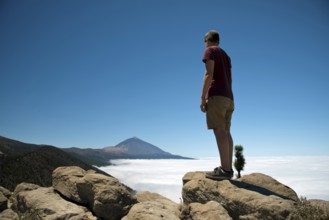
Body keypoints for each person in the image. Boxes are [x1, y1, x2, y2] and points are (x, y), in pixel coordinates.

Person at [200, 30, 235, 180]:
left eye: (204, 41)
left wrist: (203, 97)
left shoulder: (210, 51)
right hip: (229, 97)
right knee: (226, 131)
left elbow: (209, 73)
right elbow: (230, 79)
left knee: (219, 129)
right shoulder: (226, 56)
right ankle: (228, 169)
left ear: (208, 40)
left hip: (217, 96)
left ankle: (225, 170)